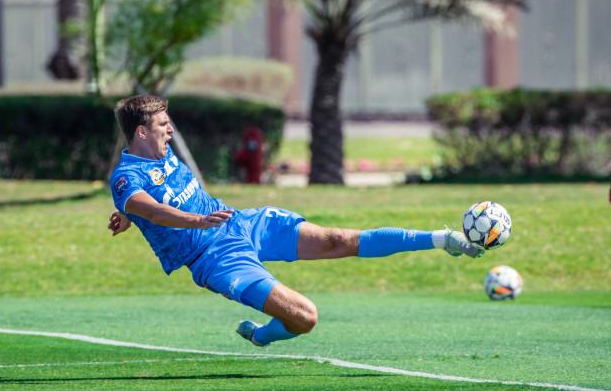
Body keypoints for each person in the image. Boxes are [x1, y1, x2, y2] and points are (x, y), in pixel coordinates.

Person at [108, 95, 483, 348]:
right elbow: (152, 208)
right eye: (163, 125)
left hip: (240, 223)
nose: (170, 130)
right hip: (213, 259)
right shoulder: (126, 177)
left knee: (337, 239)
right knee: (305, 317)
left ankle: (441, 238)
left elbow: (145, 204)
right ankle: (263, 336)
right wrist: (187, 218)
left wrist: (128, 213)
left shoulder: (160, 153)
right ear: (141, 132)